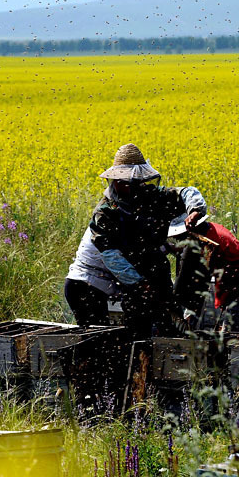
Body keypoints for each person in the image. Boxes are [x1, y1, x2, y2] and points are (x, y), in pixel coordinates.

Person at [86, 143, 207, 340]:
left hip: (160, 276)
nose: (132, 187)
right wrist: (140, 284)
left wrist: (194, 210)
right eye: (125, 182)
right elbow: (111, 256)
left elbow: (187, 192)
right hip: (133, 285)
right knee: (139, 336)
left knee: (173, 332)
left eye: (136, 182)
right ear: (115, 181)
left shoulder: (153, 196)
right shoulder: (105, 213)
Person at [169, 216, 239, 335]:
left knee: (236, 344)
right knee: (230, 339)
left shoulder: (210, 242)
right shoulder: (211, 230)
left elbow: (196, 279)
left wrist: (188, 308)